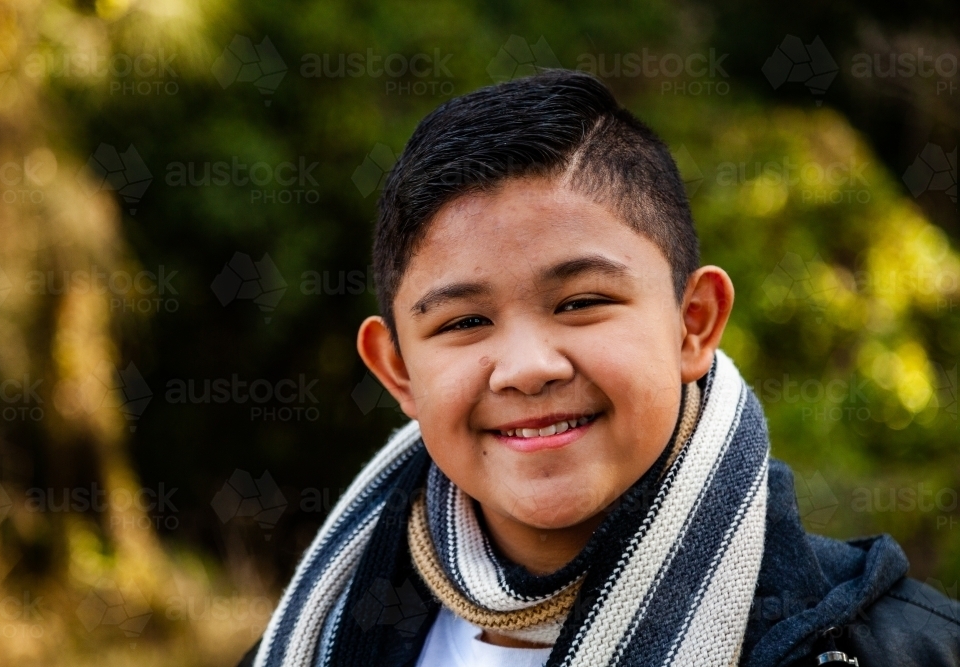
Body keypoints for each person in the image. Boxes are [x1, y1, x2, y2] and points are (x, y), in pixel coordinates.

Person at [239, 70, 960, 667]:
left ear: (695, 320)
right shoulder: (309, 636)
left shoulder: (899, 651)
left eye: (581, 301)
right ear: (398, 371)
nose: (525, 368)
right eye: (463, 322)